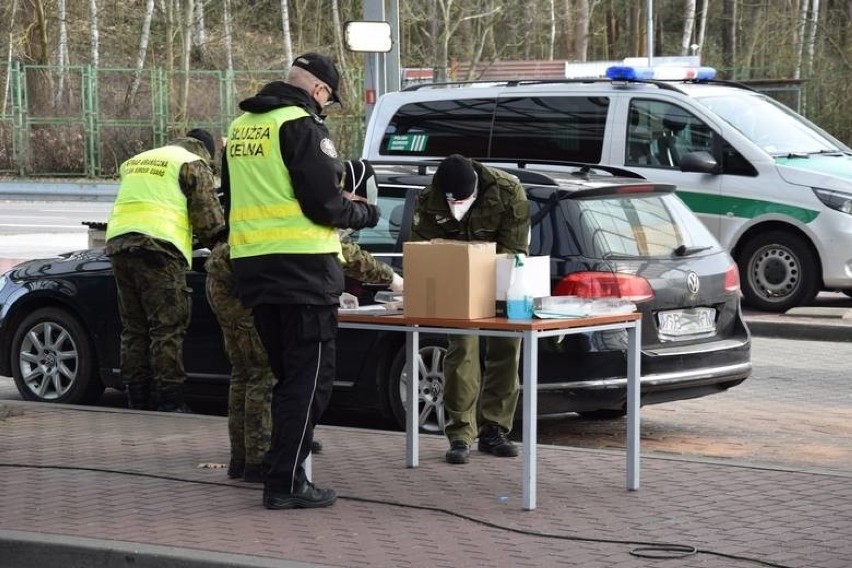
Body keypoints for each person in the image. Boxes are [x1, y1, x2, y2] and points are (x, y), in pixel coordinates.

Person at [221, 52, 380, 509]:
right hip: (304, 272)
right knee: (309, 382)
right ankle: (286, 483)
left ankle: (281, 473)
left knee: (287, 377)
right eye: (328, 99)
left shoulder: (242, 127)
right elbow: (324, 207)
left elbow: (234, 197)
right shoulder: (302, 125)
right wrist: (364, 212)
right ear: (319, 90)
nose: (326, 107)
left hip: (255, 268)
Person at [206, 158, 402, 484]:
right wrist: (394, 280)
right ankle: (258, 460)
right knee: (261, 375)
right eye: (362, 204)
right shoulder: (320, 203)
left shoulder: (306, 190)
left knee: (244, 372)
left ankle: (242, 458)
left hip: (229, 279)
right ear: (352, 195)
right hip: (239, 284)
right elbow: (348, 256)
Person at [410, 154, 530, 465]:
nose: (456, 204)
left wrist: (483, 270)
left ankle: (495, 429)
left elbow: (515, 248)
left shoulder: (507, 190)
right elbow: (423, 247)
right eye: (452, 199)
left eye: (462, 199)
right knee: (462, 348)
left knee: (507, 346)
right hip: (457, 286)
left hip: (501, 277)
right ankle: (461, 433)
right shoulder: (431, 197)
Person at [106, 128, 226, 412]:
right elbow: (209, 221)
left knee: (134, 327)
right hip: (158, 250)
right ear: (205, 152)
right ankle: (169, 402)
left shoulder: (140, 160)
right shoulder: (191, 164)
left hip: (119, 246)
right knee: (167, 328)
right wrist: (222, 245)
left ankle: (137, 398)